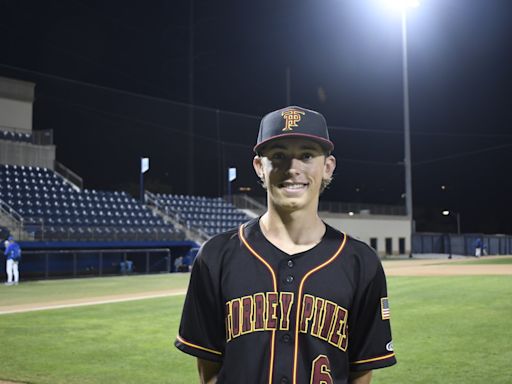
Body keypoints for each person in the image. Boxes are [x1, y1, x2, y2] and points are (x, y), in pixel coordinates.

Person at [175, 106, 396, 383]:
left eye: (306, 155)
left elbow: (361, 371)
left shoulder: (360, 262)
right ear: (259, 167)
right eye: (278, 156)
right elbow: (209, 372)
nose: (292, 169)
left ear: (327, 167)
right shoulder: (216, 255)